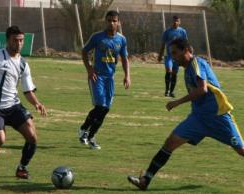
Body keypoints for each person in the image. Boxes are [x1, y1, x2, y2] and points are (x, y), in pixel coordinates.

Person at [128, 39, 244, 190]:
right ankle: (145, 180)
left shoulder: (196, 63)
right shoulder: (187, 69)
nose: (173, 57)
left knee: (241, 150)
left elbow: (202, 89)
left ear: (186, 50)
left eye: (175, 53)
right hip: (198, 119)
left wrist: (177, 102)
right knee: (170, 142)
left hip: (218, 117)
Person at [0, 26, 47, 179]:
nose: (19, 43)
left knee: (32, 137)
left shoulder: (23, 64)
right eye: (15, 40)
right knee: (0, 140)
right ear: (7, 40)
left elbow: (27, 90)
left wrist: (37, 103)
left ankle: (22, 168)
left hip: (13, 106)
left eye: (21, 40)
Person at [78, 10, 131, 150]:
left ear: (119, 23)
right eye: (109, 20)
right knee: (100, 106)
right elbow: (84, 51)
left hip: (110, 78)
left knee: (105, 109)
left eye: (114, 21)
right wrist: (89, 69)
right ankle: (89, 135)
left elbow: (124, 58)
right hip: (97, 76)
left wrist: (127, 75)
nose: (111, 23)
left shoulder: (121, 39)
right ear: (105, 21)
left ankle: (85, 130)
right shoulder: (97, 37)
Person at [158, 15, 188, 97]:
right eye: (174, 20)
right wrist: (160, 55)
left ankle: (171, 91)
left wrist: (186, 55)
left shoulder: (183, 32)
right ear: (172, 21)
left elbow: (185, 44)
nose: (175, 22)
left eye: (177, 21)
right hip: (169, 56)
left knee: (175, 73)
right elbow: (163, 44)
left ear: (179, 22)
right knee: (168, 70)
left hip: (178, 57)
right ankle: (167, 90)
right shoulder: (167, 32)